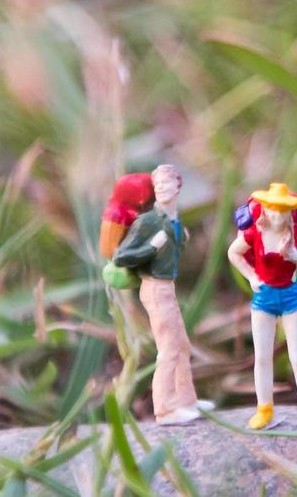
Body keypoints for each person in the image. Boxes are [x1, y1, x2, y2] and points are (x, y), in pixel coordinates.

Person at [112, 164, 214, 425]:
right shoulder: (148, 221)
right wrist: (150, 247)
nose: (162, 190)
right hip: (155, 288)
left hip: (168, 287)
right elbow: (122, 256)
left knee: (182, 346)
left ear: (178, 187)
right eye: (158, 186)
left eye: (167, 185)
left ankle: (187, 400)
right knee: (168, 349)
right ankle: (165, 409)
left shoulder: (174, 220)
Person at [226, 182, 297, 429]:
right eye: (272, 209)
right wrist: (251, 276)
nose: (277, 215)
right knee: (262, 357)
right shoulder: (254, 234)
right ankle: (264, 408)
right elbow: (233, 253)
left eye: (282, 210)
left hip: (292, 296)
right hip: (264, 297)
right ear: (264, 210)